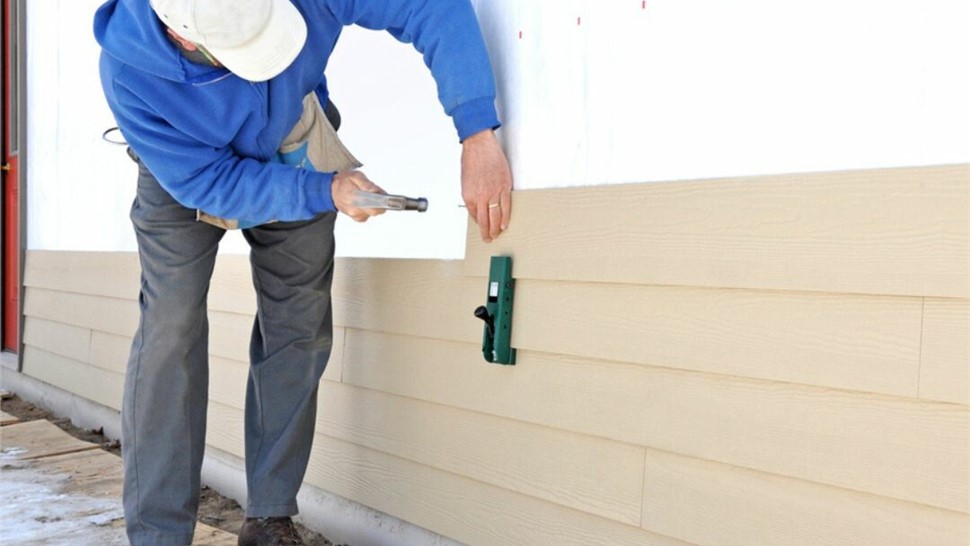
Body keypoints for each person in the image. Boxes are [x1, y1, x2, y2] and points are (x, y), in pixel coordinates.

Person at [93, 0, 512, 544]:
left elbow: (432, 6)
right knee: (170, 328)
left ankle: (269, 516)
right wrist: (324, 191)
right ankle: (158, 533)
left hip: (292, 129)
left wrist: (477, 130)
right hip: (188, 169)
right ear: (188, 39)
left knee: (299, 321)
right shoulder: (130, 71)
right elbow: (209, 185)